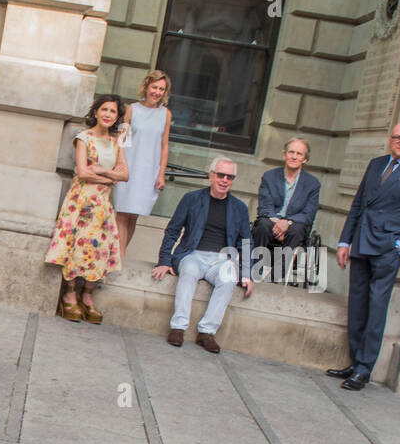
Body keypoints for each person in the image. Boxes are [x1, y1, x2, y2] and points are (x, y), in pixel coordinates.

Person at [330, 121, 400, 390]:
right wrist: (345, 241)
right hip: (362, 243)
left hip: (387, 248)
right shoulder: (376, 164)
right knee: (357, 305)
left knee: (376, 307)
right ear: (391, 139)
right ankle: (355, 362)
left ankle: (365, 369)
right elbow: (358, 205)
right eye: (398, 137)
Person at [151, 157, 255, 352]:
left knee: (229, 277)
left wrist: (247, 273)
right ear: (211, 176)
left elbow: (246, 242)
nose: (224, 180)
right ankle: (178, 327)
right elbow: (173, 230)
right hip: (192, 254)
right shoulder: (192, 199)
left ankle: (206, 332)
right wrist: (164, 260)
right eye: (220, 175)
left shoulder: (239, 207)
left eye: (229, 177)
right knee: (188, 272)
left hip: (221, 259)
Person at [45, 94, 129, 324]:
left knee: (100, 248)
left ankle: (87, 295)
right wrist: (109, 179)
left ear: (117, 116)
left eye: (112, 111)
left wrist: (101, 170)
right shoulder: (83, 137)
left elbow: (125, 174)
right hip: (81, 201)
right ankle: (69, 293)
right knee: (77, 245)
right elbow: (82, 172)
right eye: (104, 109)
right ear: (95, 112)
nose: (108, 114)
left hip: (102, 204)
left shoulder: (116, 142)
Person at [114, 71, 172, 261]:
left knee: (134, 214)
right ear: (147, 86)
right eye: (154, 87)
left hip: (149, 170)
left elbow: (164, 145)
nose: (157, 92)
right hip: (129, 165)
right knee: (122, 211)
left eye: (161, 89)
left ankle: (120, 252)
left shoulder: (166, 114)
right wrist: (117, 164)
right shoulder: (132, 109)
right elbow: (122, 139)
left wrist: (161, 174)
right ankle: (120, 254)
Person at [252, 137, 321, 282]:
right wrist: (279, 223)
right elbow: (265, 206)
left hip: (295, 224)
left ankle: (276, 276)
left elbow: (308, 214)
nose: (294, 156)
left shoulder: (313, 184)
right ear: (284, 155)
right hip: (272, 220)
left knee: (297, 230)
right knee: (262, 225)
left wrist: (287, 223)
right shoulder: (269, 177)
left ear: (305, 159)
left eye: (299, 154)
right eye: (291, 152)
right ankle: (254, 271)